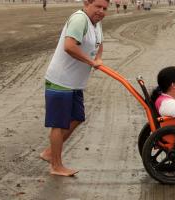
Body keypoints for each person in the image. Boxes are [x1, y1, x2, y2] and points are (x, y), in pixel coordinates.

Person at [40, 0, 109, 177]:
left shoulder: (96, 23)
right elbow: (69, 46)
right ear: (87, 3)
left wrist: (99, 58)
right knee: (58, 124)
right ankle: (56, 166)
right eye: (98, 7)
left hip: (76, 82)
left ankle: (49, 152)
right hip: (60, 80)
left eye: (104, 8)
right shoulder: (80, 19)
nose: (101, 11)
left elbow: (99, 43)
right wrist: (91, 61)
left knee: (78, 117)